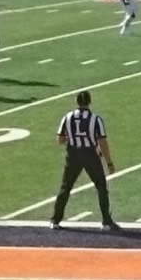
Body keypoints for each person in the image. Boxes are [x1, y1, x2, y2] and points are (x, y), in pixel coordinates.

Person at [49, 90, 117, 231]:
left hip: (73, 154)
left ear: (77, 102)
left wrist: (74, 139)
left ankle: (55, 220)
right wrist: (109, 162)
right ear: (89, 102)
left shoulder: (68, 117)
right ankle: (106, 221)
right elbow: (102, 141)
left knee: (65, 187)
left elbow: (60, 139)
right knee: (101, 187)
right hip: (90, 154)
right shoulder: (95, 119)